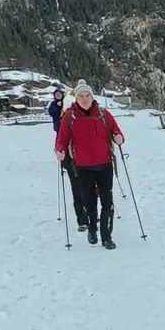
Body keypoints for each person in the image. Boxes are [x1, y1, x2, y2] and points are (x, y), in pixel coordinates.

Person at [54, 80, 124, 249]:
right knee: (90, 203)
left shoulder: (103, 114)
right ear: (76, 98)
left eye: (87, 96)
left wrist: (119, 137)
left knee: (107, 202)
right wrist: (60, 150)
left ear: (92, 97)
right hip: (83, 167)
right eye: (81, 96)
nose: (85, 99)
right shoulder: (70, 118)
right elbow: (61, 140)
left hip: (105, 164)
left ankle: (106, 236)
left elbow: (116, 130)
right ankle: (92, 228)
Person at [50, 87, 88, 229]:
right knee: (77, 188)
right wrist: (60, 152)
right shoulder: (63, 121)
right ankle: (82, 219)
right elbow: (60, 141)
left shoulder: (82, 119)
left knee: (85, 188)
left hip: (85, 159)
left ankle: (88, 215)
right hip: (71, 159)